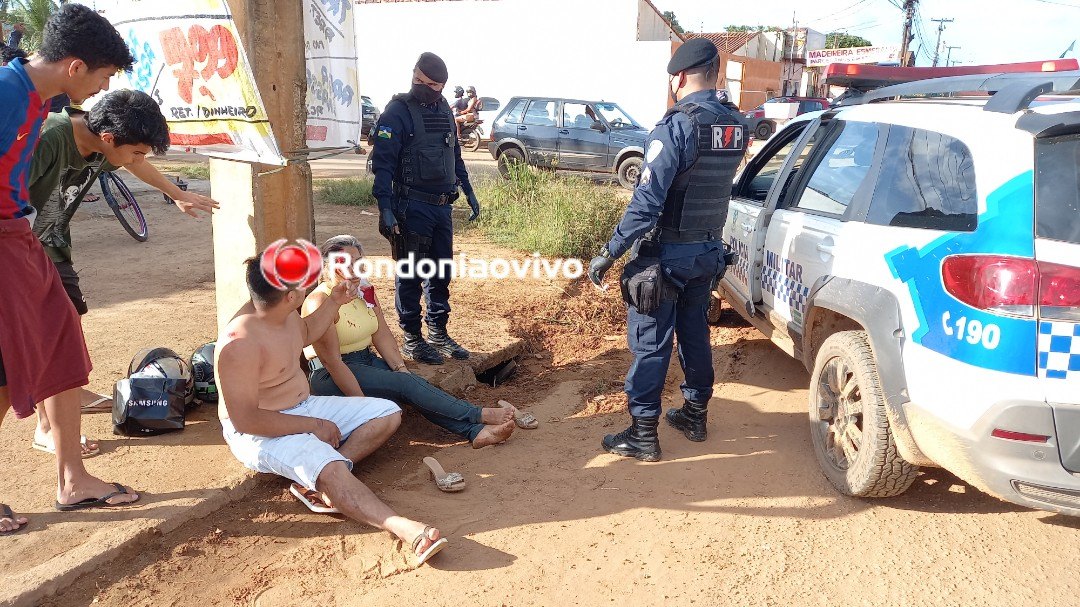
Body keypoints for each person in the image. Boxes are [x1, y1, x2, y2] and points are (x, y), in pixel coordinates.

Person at [0, 2, 140, 534]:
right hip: (3, 239)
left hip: (20, 235)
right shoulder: (7, 94)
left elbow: (126, 151)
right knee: (6, 365)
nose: (102, 88)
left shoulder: (44, 98)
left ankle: (72, 479)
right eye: (103, 75)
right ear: (76, 65)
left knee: (60, 337)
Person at [216, 253, 447, 566]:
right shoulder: (239, 343)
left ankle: (320, 482)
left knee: (386, 412)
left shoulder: (279, 312)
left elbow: (307, 332)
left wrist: (335, 301)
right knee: (331, 469)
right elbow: (245, 419)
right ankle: (407, 530)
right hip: (261, 430)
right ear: (291, 296)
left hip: (302, 405)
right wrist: (312, 425)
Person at [28, 89, 220, 458]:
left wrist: (174, 192)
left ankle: (66, 395)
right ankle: (48, 427)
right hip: (23, 250)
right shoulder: (50, 137)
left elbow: (134, 164)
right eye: (135, 150)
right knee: (49, 333)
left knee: (69, 324)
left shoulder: (103, 141)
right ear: (110, 139)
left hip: (51, 244)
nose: (136, 160)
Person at [588, 38, 747, 462]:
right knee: (694, 332)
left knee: (650, 343)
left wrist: (610, 251)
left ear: (679, 77)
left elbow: (646, 202)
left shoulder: (676, 126)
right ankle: (694, 415)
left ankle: (642, 433)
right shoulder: (736, 124)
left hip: (667, 258)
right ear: (715, 73)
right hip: (708, 253)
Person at [302, 235, 521, 449]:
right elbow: (333, 363)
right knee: (405, 385)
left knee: (414, 383)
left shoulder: (364, 290)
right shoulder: (320, 301)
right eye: (344, 263)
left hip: (365, 360)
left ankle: (476, 432)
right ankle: (480, 414)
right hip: (332, 372)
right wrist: (363, 405)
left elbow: (381, 333)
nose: (354, 269)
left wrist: (400, 367)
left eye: (358, 262)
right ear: (327, 266)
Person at [370, 52, 481, 366]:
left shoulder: (445, 109)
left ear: (442, 86)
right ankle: (412, 339)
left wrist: (468, 189)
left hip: (441, 208)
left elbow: (454, 155)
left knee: (440, 272)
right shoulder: (397, 111)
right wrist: (385, 208)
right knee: (411, 274)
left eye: (430, 84)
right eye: (417, 79)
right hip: (411, 206)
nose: (421, 86)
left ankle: (438, 333)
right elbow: (383, 167)